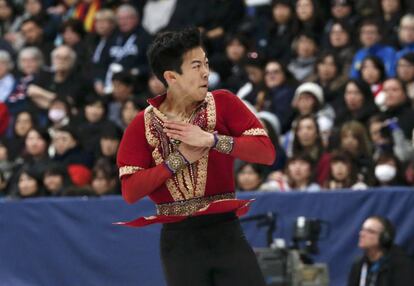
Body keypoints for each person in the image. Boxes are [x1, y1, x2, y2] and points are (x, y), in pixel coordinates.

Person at [116, 27, 275, 286]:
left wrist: (212, 140)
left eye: (206, 63)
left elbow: (266, 153)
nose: (206, 72)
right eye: (196, 65)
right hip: (179, 243)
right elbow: (131, 191)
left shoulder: (224, 102)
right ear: (172, 76)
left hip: (226, 234)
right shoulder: (141, 125)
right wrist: (177, 160)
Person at [347, 216, 414, 286]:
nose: (362, 234)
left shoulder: (402, 265)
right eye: (362, 230)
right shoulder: (359, 264)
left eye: (370, 231)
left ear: (385, 238)